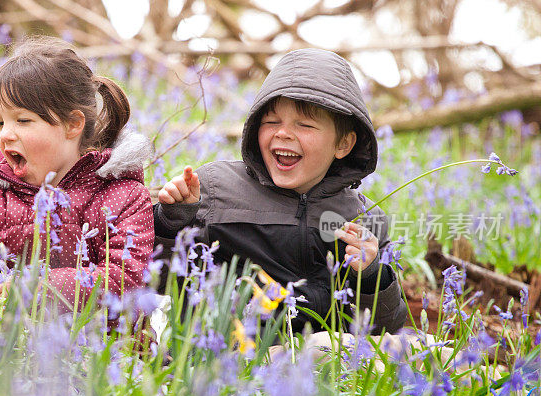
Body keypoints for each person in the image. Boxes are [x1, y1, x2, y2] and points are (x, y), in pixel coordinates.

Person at [154, 48, 407, 334]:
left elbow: (386, 327)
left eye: (305, 124)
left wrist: (373, 275)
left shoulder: (363, 217)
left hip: (327, 360)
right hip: (234, 352)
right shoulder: (215, 188)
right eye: (271, 121)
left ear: (343, 145)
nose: (283, 133)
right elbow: (159, 280)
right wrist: (172, 220)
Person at [0, 36, 155, 313]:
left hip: (101, 350)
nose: (5, 134)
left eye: (23, 120)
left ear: (73, 125)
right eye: (0, 122)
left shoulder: (123, 195)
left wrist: (35, 290)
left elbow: (124, 281)